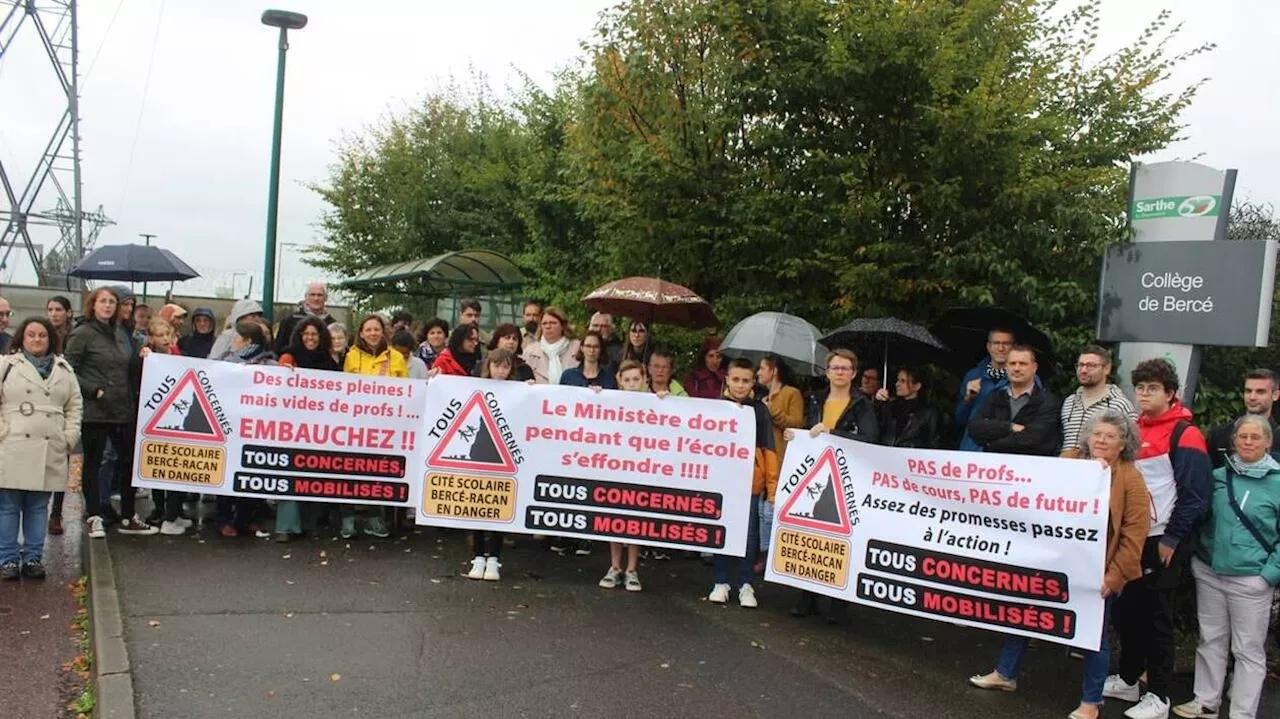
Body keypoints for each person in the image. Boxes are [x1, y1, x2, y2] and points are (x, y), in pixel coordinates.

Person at [970, 409, 1150, 719]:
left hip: (1096, 573)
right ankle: (1005, 674)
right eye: (1097, 434)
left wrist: (1115, 575)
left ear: (1123, 444)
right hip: (1054, 561)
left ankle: (1091, 702)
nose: (1102, 440)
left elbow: (1135, 534)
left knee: (1094, 635)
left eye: (1110, 437)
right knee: (1022, 615)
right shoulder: (1069, 461)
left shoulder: (1131, 479)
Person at [1104, 358, 1213, 719]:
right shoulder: (1133, 429)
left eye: (1153, 388)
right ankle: (1129, 678)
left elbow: (1196, 494)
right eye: (1140, 388)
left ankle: (1160, 696)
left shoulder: (1186, 433)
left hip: (1163, 540)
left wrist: (1172, 539)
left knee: (1157, 618)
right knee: (1127, 612)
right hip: (1133, 538)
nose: (1144, 394)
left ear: (1170, 394)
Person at [1171, 415, 1279, 719]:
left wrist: (1268, 575)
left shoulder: (1278, 483)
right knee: (1211, 639)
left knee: (1248, 650)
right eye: (1242, 436)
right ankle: (1206, 701)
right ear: (1233, 441)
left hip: (1252, 580)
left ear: (1268, 442)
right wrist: (1198, 558)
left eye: (1255, 438)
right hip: (1209, 571)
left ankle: (1242, 713)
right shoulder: (1218, 476)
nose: (1247, 442)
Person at [789, 349, 880, 621]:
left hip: (847, 477)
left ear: (853, 374)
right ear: (827, 372)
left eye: (845, 368)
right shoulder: (815, 398)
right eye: (835, 368)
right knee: (810, 534)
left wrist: (834, 433)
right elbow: (809, 431)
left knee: (842, 538)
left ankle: (837, 603)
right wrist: (796, 436)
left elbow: (870, 438)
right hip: (816, 473)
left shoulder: (862, 405)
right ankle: (807, 597)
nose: (840, 372)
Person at [64, 287, 157, 537]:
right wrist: (93, 390)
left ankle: (128, 515)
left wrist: (143, 355)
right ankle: (94, 515)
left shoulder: (120, 333)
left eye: (112, 302)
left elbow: (127, 367)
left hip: (122, 409)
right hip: (95, 411)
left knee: (129, 462)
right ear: (93, 305)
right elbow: (68, 368)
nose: (107, 306)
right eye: (102, 301)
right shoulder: (82, 333)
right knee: (92, 464)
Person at [0, 318, 82, 580]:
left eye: (42, 335)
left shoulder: (64, 368)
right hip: (12, 444)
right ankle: (8, 559)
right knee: (9, 506)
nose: (36, 340)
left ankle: (34, 557)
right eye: (31, 335)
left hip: (50, 446)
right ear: (22, 338)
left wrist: (68, 437)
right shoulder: (6, 366)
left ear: (50, 339)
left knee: (38, 507)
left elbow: (74, 406)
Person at [708, 357, 779, 608]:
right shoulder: (716, 407)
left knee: (749, 535)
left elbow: (769, 449)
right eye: (735, 379)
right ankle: (720, 581)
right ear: (727, 379)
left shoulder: (760, 410)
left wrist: (772, 488)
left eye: (745, 381)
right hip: (722, 483)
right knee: (721, 532)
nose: (740, 385)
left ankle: (746, 584)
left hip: (750, 484)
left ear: (753, 382)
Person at [340, 315, 407, 539]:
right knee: (350, 471)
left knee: (377, 471)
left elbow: (406, 390)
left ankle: (373, 518)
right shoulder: (351, 357)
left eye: (376, 329)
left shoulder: (396, 357)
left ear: (383, 331)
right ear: (360, 333)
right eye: (368, 329)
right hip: (354, 424)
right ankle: (347, 518)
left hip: (384, 427)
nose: (372, 333)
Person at [276, 317, 340, 543]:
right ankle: (286, 526)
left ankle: (308, 524)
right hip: (292, 427)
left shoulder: (329, 361)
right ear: (299, 336)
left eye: (315, 334)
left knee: (312, 473)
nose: (311, 338)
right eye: (306, 334)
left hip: (319, 428)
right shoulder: (288, 357)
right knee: (290, 473)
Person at [464, 348, 525, 582]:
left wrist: (532, 391)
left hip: (504, 455)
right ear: (488, 366)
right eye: (496, 365)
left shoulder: (518, 391)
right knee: (478, 503)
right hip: (479, 451)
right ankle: (478, 555)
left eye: (505, 366)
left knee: (498, 505)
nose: (500, 371)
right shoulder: (474, 387)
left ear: (511, 370)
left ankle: (494, 559)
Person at [215, 320, 278, 538]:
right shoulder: (227, 363)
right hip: (231, 427)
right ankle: (225, 519)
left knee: (250, 474)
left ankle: (245, 518)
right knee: (228, 473)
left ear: (248, 342)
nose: (232, 342)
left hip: (256, 429)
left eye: (236, 339)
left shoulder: (271, 366)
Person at [598, 360, 651, 593]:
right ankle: (615, 567)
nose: (631, 384)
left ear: (643, 380)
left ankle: (632, 569)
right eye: (627, 380)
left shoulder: (654, 404)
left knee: (635, 522)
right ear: (619, 380)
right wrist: (595, 396)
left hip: (639, 472)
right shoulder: (610, 401)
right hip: (615, 470)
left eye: (636, 380)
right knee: (614, 521)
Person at [139, 318, 193, 535]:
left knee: (177, 469)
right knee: (159, 469)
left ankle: (173, 513)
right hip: (156, 420)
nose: (164, 339)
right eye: (159, 335)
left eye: (167, 334)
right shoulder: (147, 357)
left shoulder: (177, 355)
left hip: (176, 418)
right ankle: (165, 514)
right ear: (151, 338)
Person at [967, 346, 1061, 456]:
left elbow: (1034, 440)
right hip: (995, 469)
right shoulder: (994, 397)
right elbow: (974, 428)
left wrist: (990, 443)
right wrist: (1009, 427)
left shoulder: (1049, 402)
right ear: (1006, 367)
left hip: (1031, 470)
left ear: (1034, 368)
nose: (1016, 368)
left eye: (1022, 364)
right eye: (1012, 363)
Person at [757, 353, 804, 570]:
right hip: (762, 459)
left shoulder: (791, 393)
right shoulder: (762, 395)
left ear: (774, 371)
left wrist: (771, 409)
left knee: (772, 510)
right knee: (761, 511)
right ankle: (764, 554)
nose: (758, 373)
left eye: (762, 368)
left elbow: (797, 423)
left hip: (782, 458)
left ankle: (773, 558)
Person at [1061, 345, 1137, 453]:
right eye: (1080, 365)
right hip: (1066, 466)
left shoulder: (1119, 404)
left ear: (1106, 369)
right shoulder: (1069, 402)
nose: (1083, 370)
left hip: (1101, 467)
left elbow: (1132, 444)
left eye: (1091, 365)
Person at [956, 328, 1017, 452]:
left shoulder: (1024, 377)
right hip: (973, 448)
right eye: (996, 343)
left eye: (1006, 343)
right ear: (988, 347)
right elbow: (959, 420)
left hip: (1007, 450)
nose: (1001, 348)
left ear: (1014, 347)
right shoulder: (973, 375)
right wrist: (968, 400)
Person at [44, 295, 75, 535]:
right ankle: (40, 508)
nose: (53, 314)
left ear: (68, 312)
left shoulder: (73, 336)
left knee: (61, 460)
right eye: (50, 309)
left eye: (58, 309)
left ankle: (57, 512)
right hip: (42, 403)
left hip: (65, 403)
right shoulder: (39, 334)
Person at [1208, 369, 1280, 469]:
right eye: (1248, 391)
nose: (1252, 397)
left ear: (1275, 395)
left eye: (1260, 392)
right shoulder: (1221, 434)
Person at [874, 366, 942, 449]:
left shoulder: (929, 412)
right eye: (898, 380)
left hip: (911, 458)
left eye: (903, 381)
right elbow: (875, 428)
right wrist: (878, 404)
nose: (897, 384)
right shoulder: (889, 406)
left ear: (917, 386)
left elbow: (934, 443)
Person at [274, 282, 338, 354]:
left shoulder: (331, 323)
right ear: (306, 297)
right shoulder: (290, 320)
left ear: (326, 298)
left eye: (320, 295)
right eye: (312, 295)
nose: (316, 298)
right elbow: (278, 348)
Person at [523, 306, 579, 385]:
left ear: (562, 325)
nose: (548, 326)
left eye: (553, 323)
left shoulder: (578, 348)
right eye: (544, 323)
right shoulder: (530, 351)